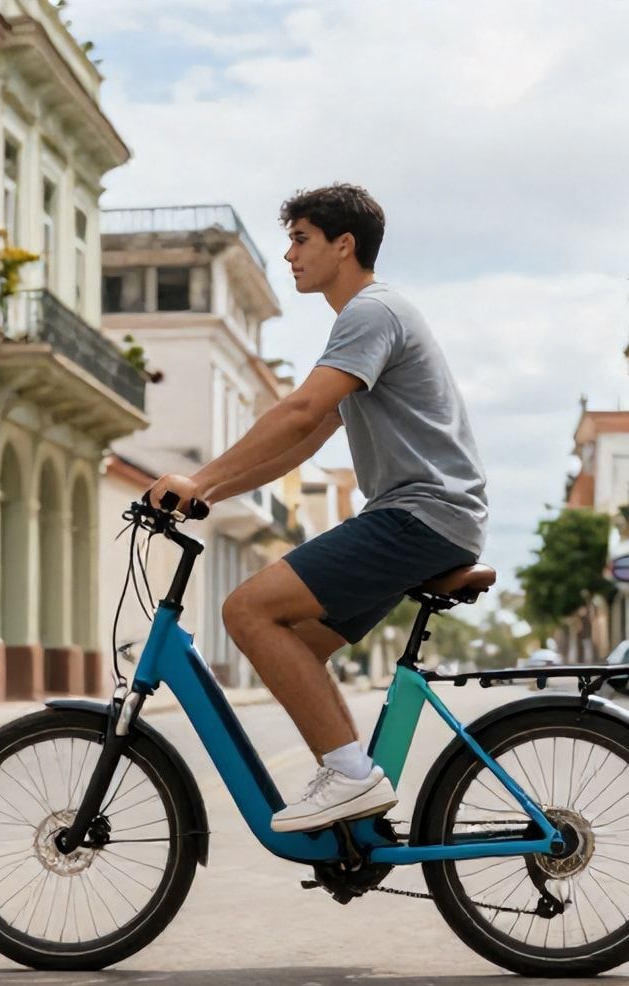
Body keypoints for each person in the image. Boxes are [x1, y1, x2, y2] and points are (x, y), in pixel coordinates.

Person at [148, 183, 488, 833]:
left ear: (344, 244)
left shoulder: (371, 312)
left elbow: (299, 409)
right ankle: (353, 808)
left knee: (246, 609)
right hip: (423, 516)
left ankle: (351, 779)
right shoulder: (365, 321)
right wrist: (210, 493)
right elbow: (311, 433)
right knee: (294, 640)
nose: (289, 255)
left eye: (301, 239)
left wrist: (198, 477)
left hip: (421, 514)